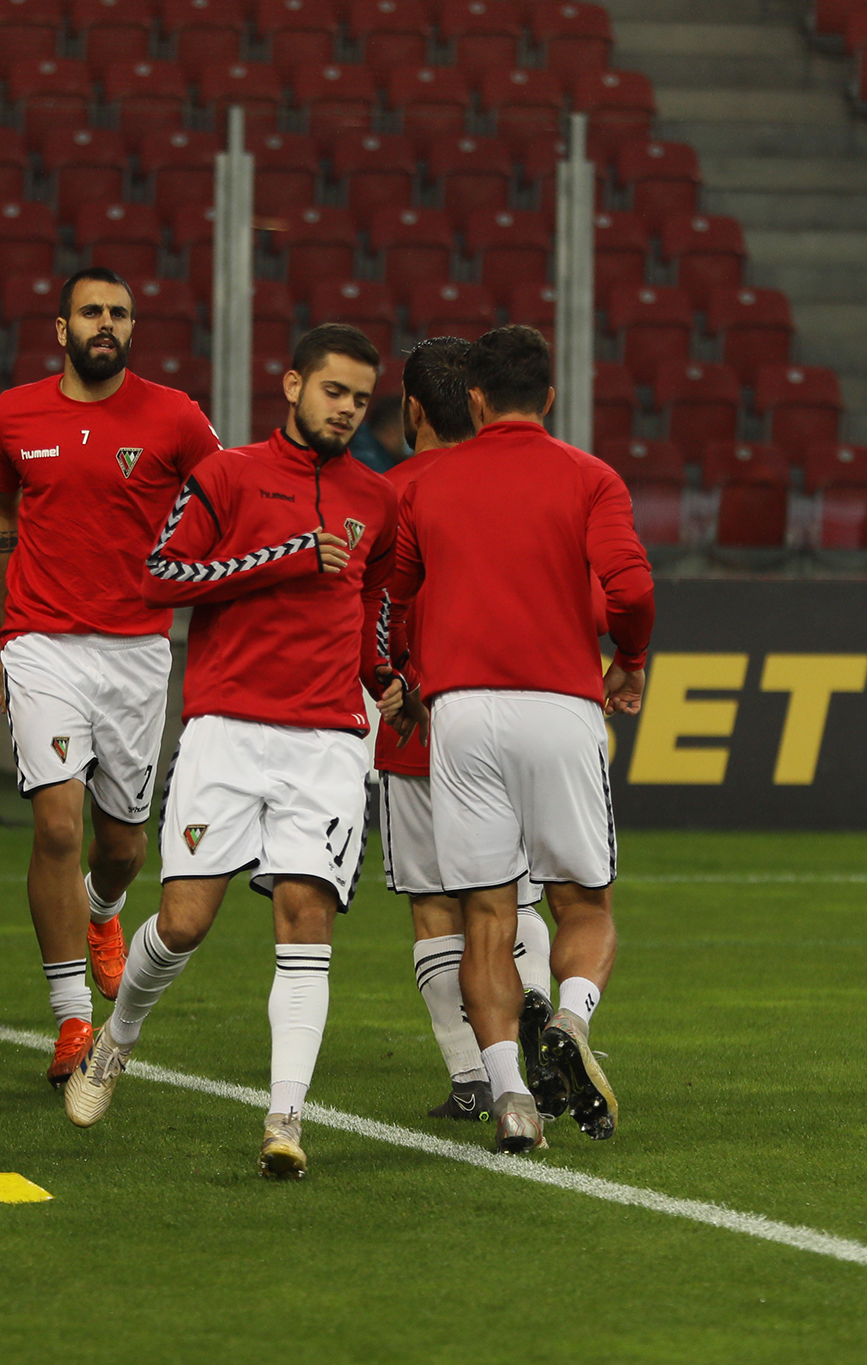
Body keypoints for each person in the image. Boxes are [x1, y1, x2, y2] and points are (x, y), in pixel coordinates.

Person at [62, 324, 401, 1182]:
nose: (347, 409)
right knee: (184, 922)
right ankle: (118, 1037)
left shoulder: (378, 498)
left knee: (306, 916)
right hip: (226, 728)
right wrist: (283, 557)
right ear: (292, 385)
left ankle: (285, 1117)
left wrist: (384, 673)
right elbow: (160, 575)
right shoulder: (227, 475)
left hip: (328, 739)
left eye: (361, 399)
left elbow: (371, 603)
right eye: (334, 391)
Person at [385, 324, 653, 1154]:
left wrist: (398, 676)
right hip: (560, 705)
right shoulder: (589, 477)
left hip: (461, 713)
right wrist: (629, 660)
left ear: (473, 398)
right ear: (549, 397)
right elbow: (630, 588)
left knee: (485, 913)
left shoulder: (427, 484)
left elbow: (394, 596)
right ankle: (570, 1020)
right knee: (583, 902)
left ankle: (509, 1097)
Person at [0, 267, 221, 1086]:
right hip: (41, 643)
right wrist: (7, 633)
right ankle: (71, 1017)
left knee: (121, 845)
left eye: (119, 311)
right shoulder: (12, 414)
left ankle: (104, 909)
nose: (106, 323)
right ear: (62, 328)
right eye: (91, 311)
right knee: (56, 825)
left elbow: (224, 502)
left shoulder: (176, 416)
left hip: (137, 650)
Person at [371, 337, 554, 1124]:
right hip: (511, 711)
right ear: (478, 400)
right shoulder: (515, 484)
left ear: (412, 408)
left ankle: (475, 1077)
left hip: (415, 721)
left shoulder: (384, 497)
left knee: (435, 907)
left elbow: (370, 614)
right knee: (513, 898)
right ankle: (537, 1009)